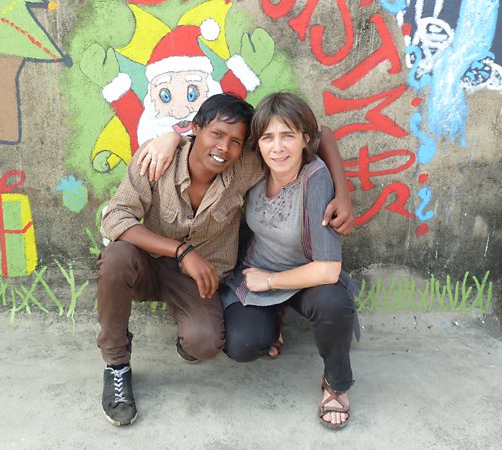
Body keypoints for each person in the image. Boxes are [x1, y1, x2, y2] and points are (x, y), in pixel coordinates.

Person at [97, 93, 354, 427]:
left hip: (197, 279)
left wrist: (343, 195)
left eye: (235, 141)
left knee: (205, 344)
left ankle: (190, 336)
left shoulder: (247, 164)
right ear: (195, 128)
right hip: (147, 264)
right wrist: (181, 250)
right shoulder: (156, 159)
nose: (223, 148)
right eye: (216, 134)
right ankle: (117, 366)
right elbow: (115, 219)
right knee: (117, 257)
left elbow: (321, 136)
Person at [220, 92, 357, 429]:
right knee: (242, 346)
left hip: (307, 277)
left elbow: (328, 270)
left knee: (334, 302)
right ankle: (275, 320)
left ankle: (336, 383)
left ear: (304, 139)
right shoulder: (254, 165)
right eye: (268, 137)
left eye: (288, 136)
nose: (277, 148)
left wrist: (270, 281)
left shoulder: (315, 178)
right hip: (259, 267)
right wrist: (167, 140)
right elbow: (204, 139)